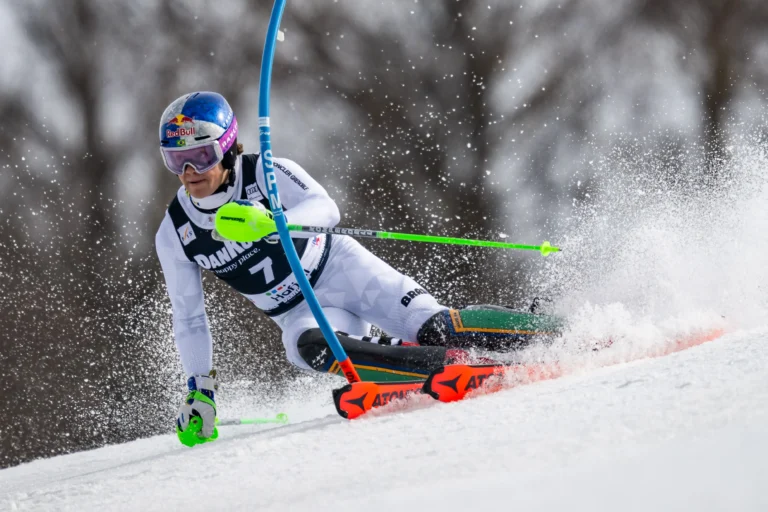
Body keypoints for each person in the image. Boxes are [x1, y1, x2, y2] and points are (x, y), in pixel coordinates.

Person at [156, 91, 561, 446]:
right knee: (307, 347)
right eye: (177, 161)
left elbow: (326, 207)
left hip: (342, 271)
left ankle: (557, 330)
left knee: (433, 324)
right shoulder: (175, 232)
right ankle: (439, 366)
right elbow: (189, 317)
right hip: (300, 312)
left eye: (201, 157)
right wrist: (200, 391)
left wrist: (274, 220)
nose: (190, 173)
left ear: (226, 149)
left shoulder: (263, 171)